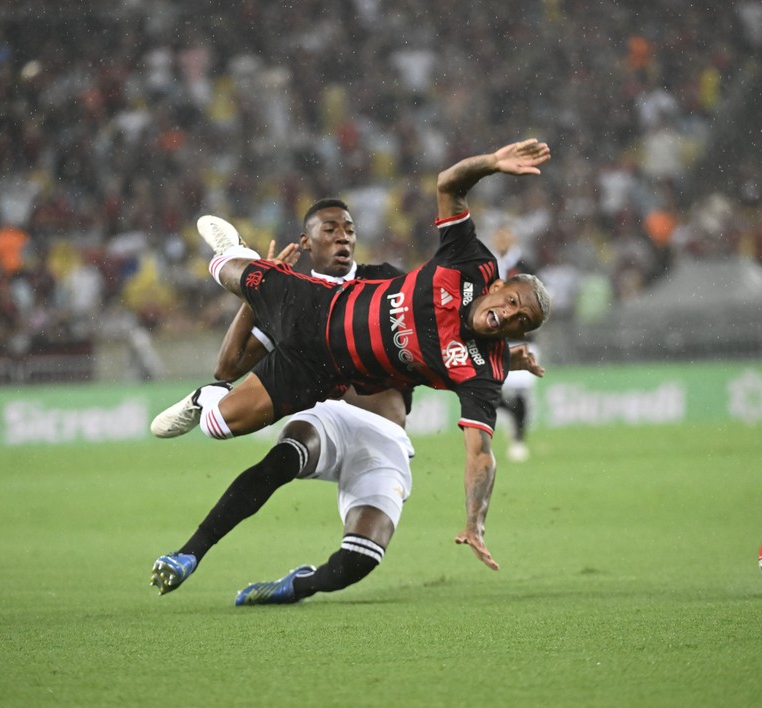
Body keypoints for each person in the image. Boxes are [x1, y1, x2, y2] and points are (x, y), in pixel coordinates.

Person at [152, 139, 551, 569]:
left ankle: (201, 399)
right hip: (316, 307)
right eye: (512, 302)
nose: (510, 317)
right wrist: (491, 163)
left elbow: (480, 453)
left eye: (521, 321)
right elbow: (449, 184)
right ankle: (239, 255)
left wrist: (476, 521)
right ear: (497, 286)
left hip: (323, 372)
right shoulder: (469, 262)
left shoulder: (480, 369)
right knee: (224, 269)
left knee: (216, 425)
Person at [150, 199, 417, 604]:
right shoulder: (295, 303)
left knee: (357, 562)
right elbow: (229, 367)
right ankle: (189, 553)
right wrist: (257, 293)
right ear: (306, 242)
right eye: (329, 229)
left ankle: (295, 585)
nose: (343, 235)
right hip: (327, 413)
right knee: (283, 459)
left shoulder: (385, 282)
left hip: (384, 438)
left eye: (348, 228)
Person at [488, 224, 540, 463]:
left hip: (521, 338)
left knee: (520, 390)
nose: (501, 240)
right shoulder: (488, 267)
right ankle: (511, 419)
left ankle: (519, 440)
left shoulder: (525, 267)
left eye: (505, 235)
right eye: (498, 235)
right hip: (493, 339)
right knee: (490, 391)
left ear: (513, 237)